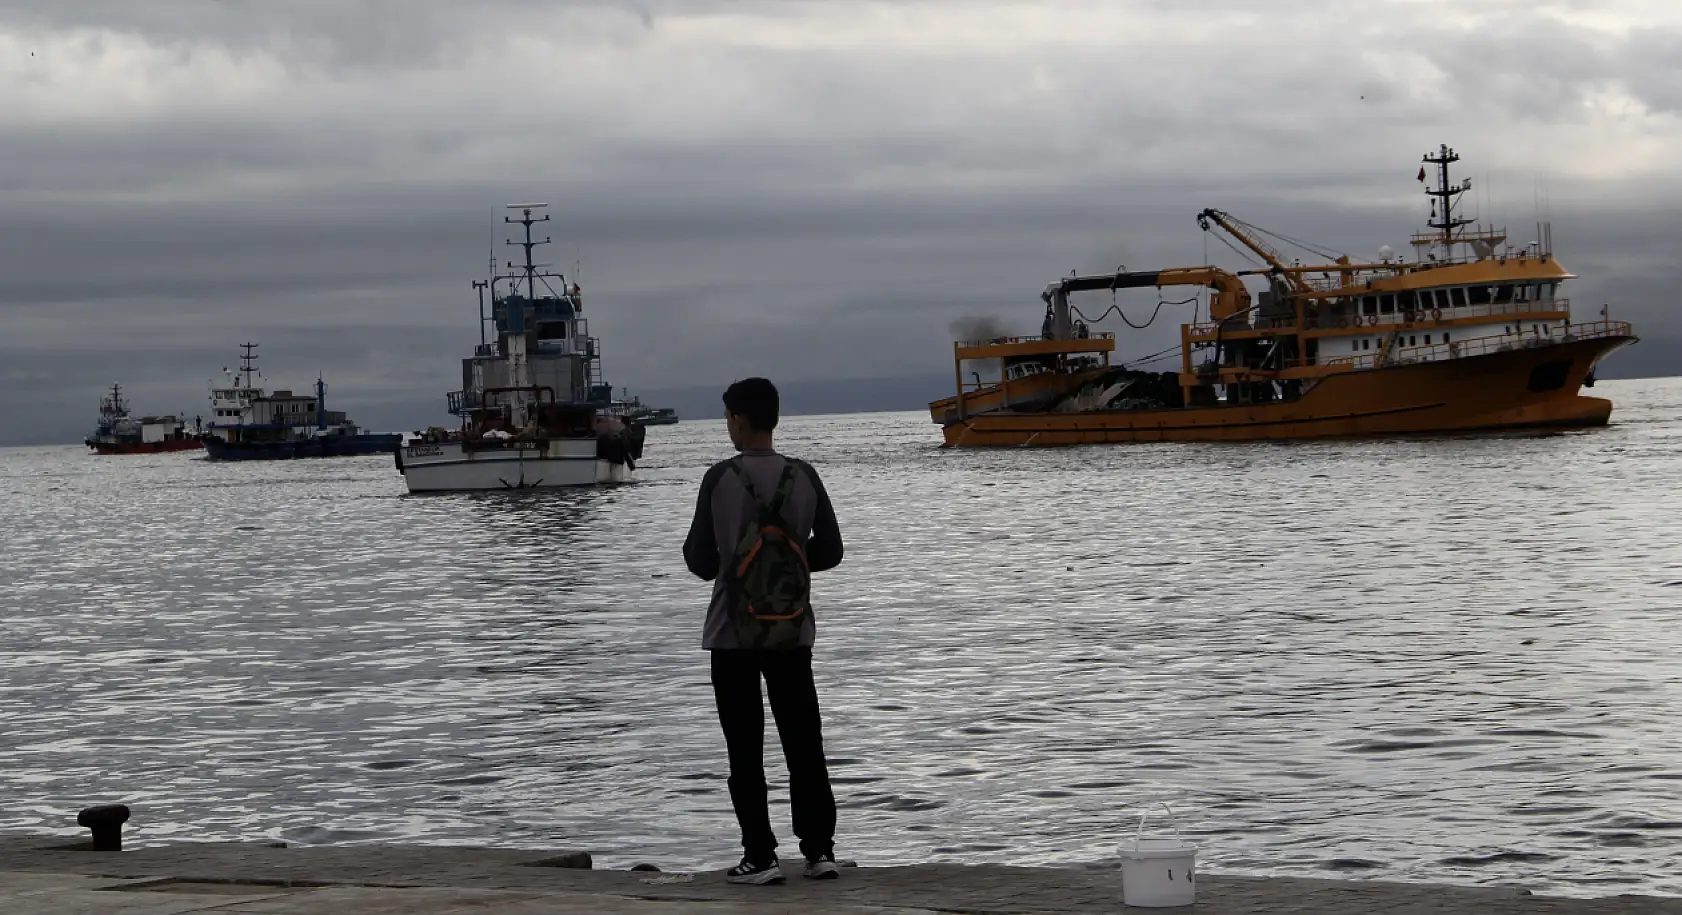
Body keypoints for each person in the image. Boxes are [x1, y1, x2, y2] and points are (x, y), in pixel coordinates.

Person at [682, 377, 845, 885]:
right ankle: (819, 853)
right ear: (774, 417)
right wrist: (788, 561)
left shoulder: (719, 478)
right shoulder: (805, 476)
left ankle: (761, 857)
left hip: (731, 635)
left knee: (744, 748)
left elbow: (699, 561)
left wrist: (740, 561)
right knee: (804, 743)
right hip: (792, 633)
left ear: (737, 419)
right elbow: (832, 551)